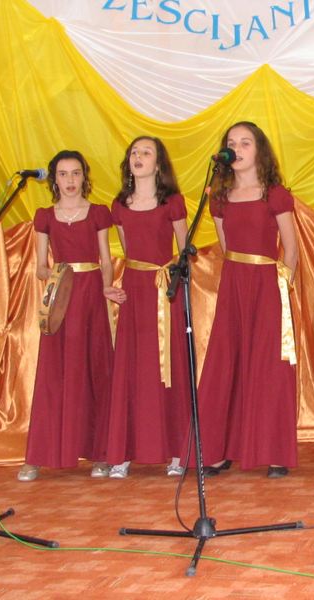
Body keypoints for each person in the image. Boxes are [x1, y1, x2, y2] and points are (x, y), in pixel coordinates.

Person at [197, 121, 299, 478]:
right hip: (234, 285)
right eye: (232, 143)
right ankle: (219, 449)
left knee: (269, 365)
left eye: (245, 143)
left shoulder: (276, 194)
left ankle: (274, 452)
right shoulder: (219, 197)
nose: (237, 149)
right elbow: (227, 247)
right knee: (228, 361)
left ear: (259, 150)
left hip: (268, 284)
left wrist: (282, 288)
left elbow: (291, 248)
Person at [18, 150, 125, 482]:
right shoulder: (44, 216)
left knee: (95, 371)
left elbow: (105, 260)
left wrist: (106, 288)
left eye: (75, 173)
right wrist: (57, 281)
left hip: (91, 295)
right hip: (61, 298)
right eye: (63, 174)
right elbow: (40, 267)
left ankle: (101, 454)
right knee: (54, 374)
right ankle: (38, 456)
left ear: (84, 177)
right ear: (54, 179)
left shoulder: (98, 213)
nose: (70, 180)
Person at [105, 136, 190, 478]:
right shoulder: (119, 206)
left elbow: (184, 251)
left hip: (165, 290)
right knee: (132, 366)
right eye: (134, 152)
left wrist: (170, 283)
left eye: (146, 152)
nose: (138, 157)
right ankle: (124, 452)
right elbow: (129, 251)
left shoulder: (173, 202)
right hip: (134, 290)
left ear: (158, 164)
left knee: (169, 368)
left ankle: (177, 451)